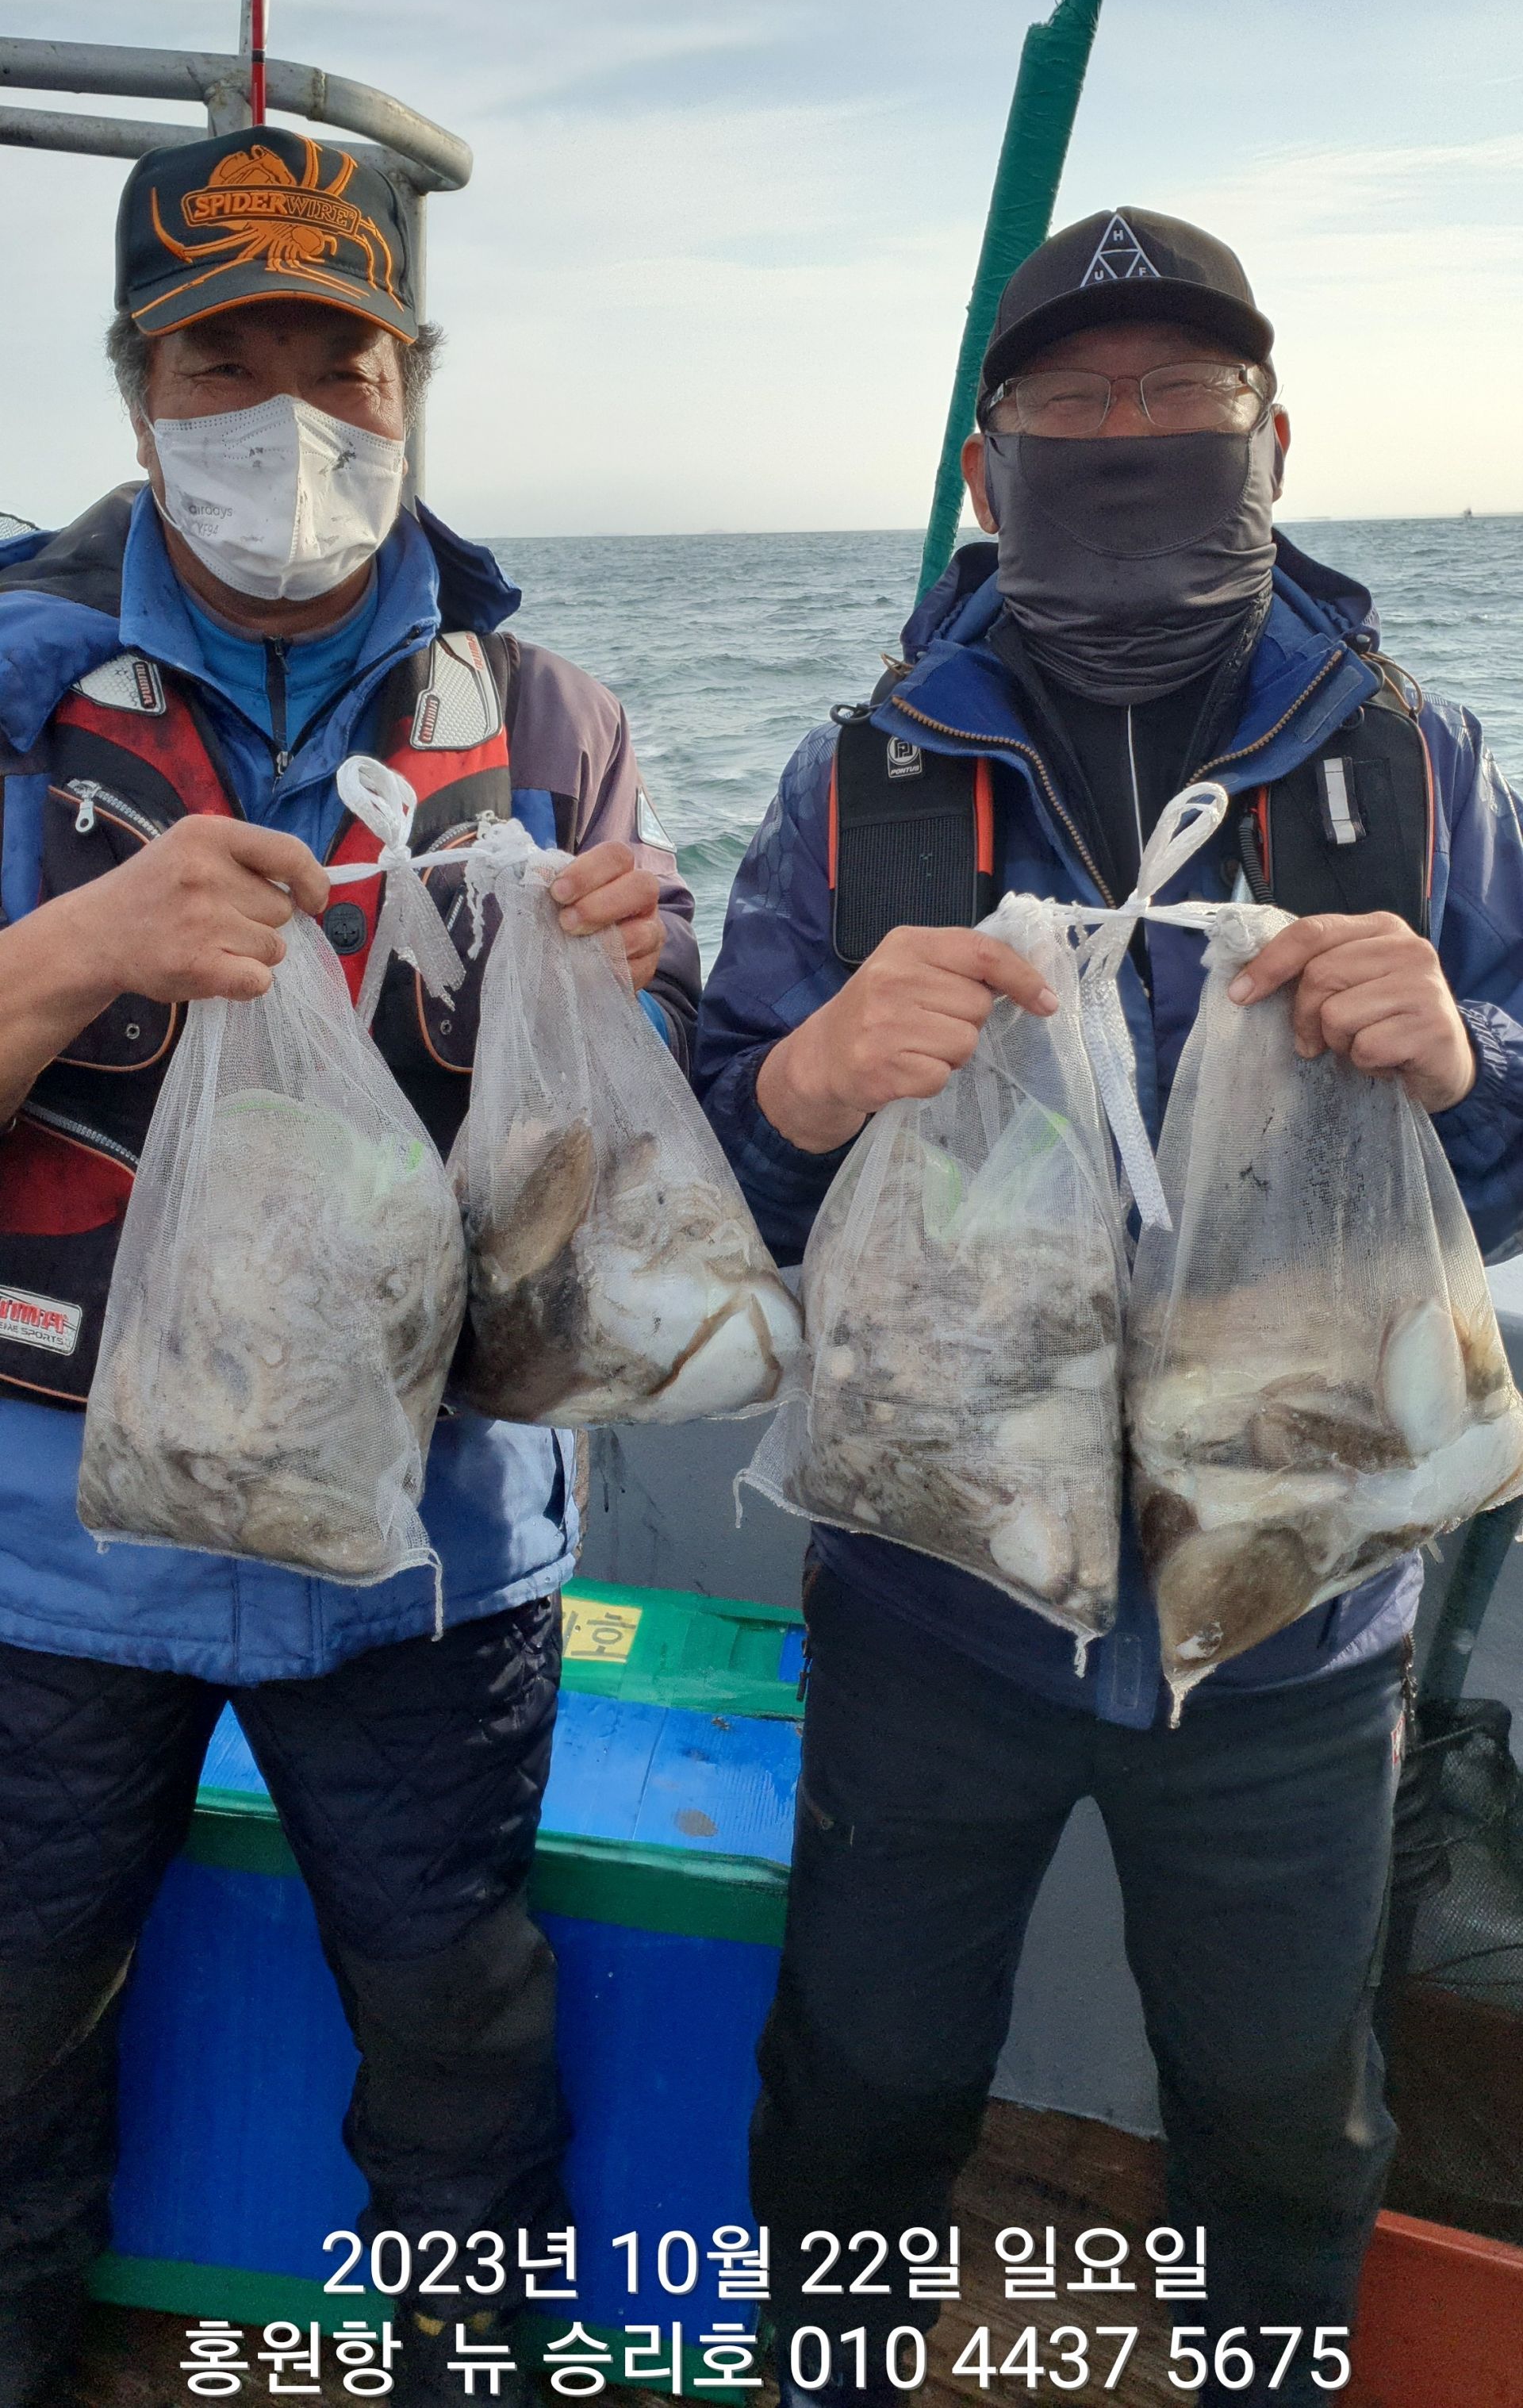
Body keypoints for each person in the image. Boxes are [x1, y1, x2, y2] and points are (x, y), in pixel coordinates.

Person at [695, 207, 1523, 2406]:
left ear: (1276, 439)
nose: (1131, 434)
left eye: (1185, 395)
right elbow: (715, 1183)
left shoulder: (1418, 766)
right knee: (861, 2085)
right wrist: (802, 1080)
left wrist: (1469, 1063)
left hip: (1298, 1617)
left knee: (1282, 2113)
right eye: (1075, 403)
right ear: (989, 467)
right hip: (935, 1601)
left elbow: (1508, 1145)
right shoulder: (857, 781)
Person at [0, 124, 699, 2408]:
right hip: (46, 1559)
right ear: (137, 396)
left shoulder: (559, 720)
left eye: (346, 362)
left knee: (459, 2043)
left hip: (432, 1565)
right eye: (225, 361)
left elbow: (610, 1204)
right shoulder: (8, 696)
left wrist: (630, 993)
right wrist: (83, 945)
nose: (287, 415)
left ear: (415, 391)